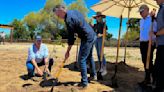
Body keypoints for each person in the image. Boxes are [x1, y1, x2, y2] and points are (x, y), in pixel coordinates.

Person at [53, 4, 97, 88]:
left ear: (61, 10)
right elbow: (80, 22)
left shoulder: (68, 20)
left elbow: (71, 38)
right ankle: (93, 75)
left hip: (87, 37)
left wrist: (68, 51)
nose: (58, 17)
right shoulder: (74, 11)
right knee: (89, 57)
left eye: (58, 15)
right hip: (92, 34)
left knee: (81, 60)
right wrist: (78, 31)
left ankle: (84, 83)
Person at [138, 4, 157, 85]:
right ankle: (147, 78)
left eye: (142, 11)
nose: (140, 13)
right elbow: (142, 32)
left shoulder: (152, 19)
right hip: (142, 43)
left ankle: (154, 79)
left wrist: (154, 40)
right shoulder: (141, 21)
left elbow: (155, 30)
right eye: (140, 12)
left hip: (149, 43)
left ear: (147, 10)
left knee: (149, 61)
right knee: (144, 61)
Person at [151, 0, 164, 91]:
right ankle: (159, 87)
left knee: (160, 68)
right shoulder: (160, 9)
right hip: (160, 43)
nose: (155, 0)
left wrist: (156, 33)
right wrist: (154, 17)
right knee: (158, 67)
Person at [93, 12, 108, 76]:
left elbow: (106, 33)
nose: (97, 18)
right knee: (98, 54)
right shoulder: (95, 25)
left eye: (99, 17)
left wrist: (101, 34)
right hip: (96, 39)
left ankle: (104, 68)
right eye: (97, 17)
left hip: (101, 39)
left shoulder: (103, 24)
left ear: (101, 17)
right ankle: (100, 67)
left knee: (101, 53)